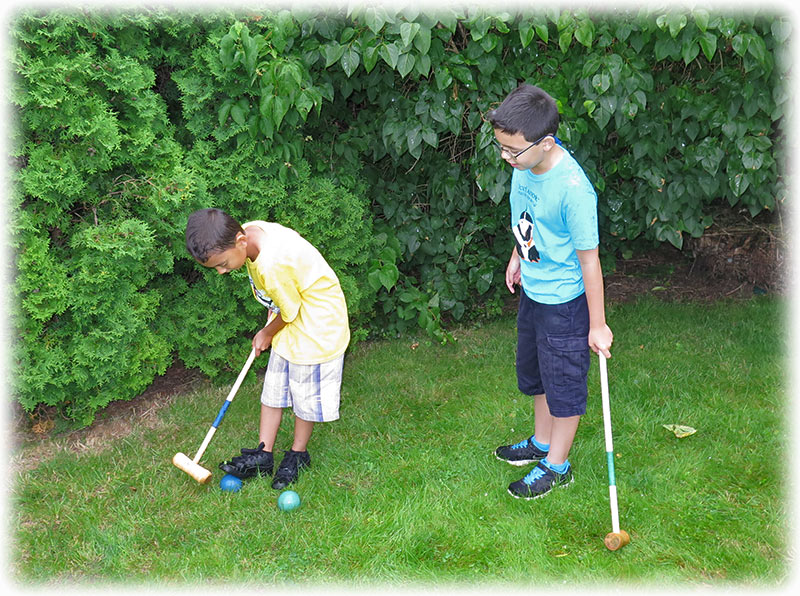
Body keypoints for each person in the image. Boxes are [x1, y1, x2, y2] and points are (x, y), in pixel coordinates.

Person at [487, 83, 613, 500]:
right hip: (534, 295)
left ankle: (557, 466)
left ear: (545, 143)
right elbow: (528, 219)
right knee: (537, 375)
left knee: (564, 387)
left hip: (565, 305)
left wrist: (598, 325)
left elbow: (589, 260)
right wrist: (518, 255)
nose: (506, 157)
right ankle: (541, 444)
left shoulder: (574, 191)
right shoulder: (526, 168)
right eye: (501, 148)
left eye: (513, 150)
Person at [185, 208, 350, 490]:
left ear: (239, 241)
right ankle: (263, 453)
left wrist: (266, 333)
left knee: (304, 395)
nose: (223, 272)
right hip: (289, 315)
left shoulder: (271, 264)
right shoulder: (250, 234)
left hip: (316, 324)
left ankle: (298, 454)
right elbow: (286, 303)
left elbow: (291, 309)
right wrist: (272, 328)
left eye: (222, 264)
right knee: (274, 388)